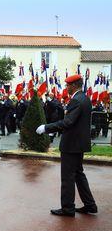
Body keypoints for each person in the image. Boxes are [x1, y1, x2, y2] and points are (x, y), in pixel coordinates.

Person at [36, 74, 97, 217]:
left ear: (74, 85)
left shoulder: (76, 100)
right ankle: (90, 205)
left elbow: (67, 122)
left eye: (68, 85)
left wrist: (46, 127)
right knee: (78, 175)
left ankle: (68, 208)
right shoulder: (85, 98)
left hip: (71, 144)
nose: (66, 87)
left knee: (68, 177)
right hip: (79, 143)